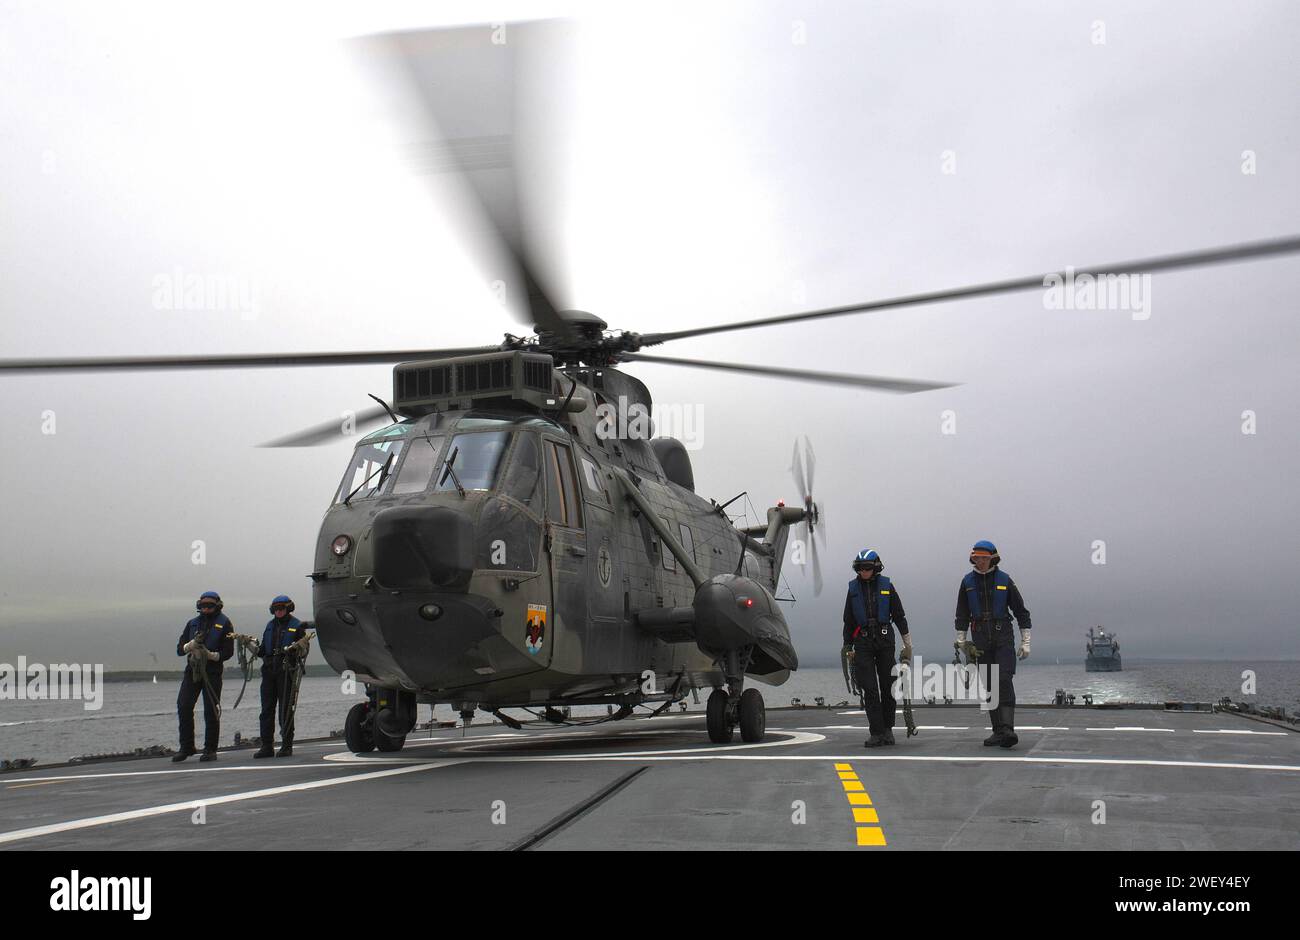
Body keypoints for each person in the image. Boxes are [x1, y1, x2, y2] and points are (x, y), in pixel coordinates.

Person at [954, 540, 1032, 748]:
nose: (979, 561)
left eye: (983, 558)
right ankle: (998, 731)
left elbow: (1021, 612)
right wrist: (961, 638)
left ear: (992, 559)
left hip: (1003, 636)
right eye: (976, 558)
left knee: (1004, 679)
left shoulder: (1005, 580)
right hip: (980, 637)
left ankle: (1008, 729)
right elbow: (962, 613)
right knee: (989, 684)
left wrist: (1026, 641)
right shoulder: (967, 582)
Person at [842, 549, 912, 747]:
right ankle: (876, 732)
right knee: (870, 688)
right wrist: (847, 646)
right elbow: (848, 620)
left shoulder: (887, 586)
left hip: (884, 641)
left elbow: (899, 615)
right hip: (862, 642)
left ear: (875, 568)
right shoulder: (853, 589)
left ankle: (888, 730)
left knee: (888, 685)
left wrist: (907, 643)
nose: (864, 571)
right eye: (861, 568)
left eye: (868, 568)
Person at [174, 591, 235, 762]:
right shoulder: (192, 624)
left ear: (217, 606)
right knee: (184, 705)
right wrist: (190, 645)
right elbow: (179, 649)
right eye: (203, 606)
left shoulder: (225, 624)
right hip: (192, 671)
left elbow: (228, 652)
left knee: (211, 710)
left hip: (212, 672)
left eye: (209, 606)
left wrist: (212, 655)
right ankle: (186, 746)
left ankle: (210, 749)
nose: (206, 609)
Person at [254, 595, 310, 758]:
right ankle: (267, 746)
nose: (278, 612)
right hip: (269, 669)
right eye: (276, 609)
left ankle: (286, 745)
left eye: (281, 609)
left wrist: (300, 647)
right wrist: (251, 646)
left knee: (285, 709)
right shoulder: (270, 626)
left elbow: (305, 650)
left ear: (288, 608)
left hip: (286, 671)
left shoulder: (297, 626)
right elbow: (263, 649)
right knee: (266, 710)